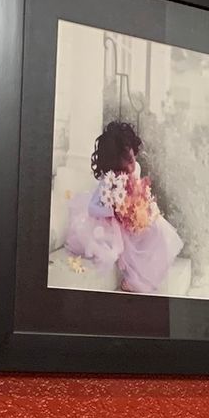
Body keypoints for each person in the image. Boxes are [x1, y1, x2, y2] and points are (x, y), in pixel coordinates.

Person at [62, 120, 186, 294]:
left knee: (157, 229)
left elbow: (137, 192)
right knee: (124, 245)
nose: (131, 166)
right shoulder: (110, 180)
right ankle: (133, 279)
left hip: (130, 219)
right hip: (111, 223)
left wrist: (144, 207)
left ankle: (146, 275)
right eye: (125, 164)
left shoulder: (136, 169)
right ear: (114, 165)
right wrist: (113, 210)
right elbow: (92, 208)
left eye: (132, 159)